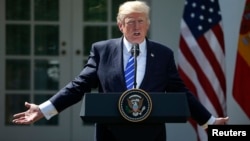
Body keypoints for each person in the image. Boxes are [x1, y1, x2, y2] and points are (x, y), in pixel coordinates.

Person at [12, 1, 229, 141]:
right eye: (130, 22)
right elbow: (79, 85)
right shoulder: (102, 50)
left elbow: (180, 92)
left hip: (150, 134)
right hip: (110, 134)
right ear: (120, 25)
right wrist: (43, 109)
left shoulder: (163, 54)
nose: (136, 27)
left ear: (148, 24)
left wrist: (209, 122)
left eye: (141, 21)